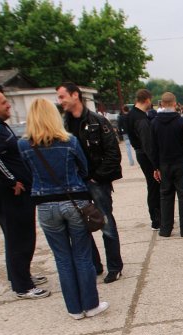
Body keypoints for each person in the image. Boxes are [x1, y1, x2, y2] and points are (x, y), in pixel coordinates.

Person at [17, 99, 108, 318]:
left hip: (45, 205)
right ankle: (90, 304)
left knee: (62, 258)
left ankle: (74, 309)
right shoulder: (70, 141)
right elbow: (84, 169)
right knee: (82, 255)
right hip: (73, 201)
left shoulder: (24, 145)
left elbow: (27, 173)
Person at [0, 87, 48, 299]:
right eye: (2, 103)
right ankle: (23, 286)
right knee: (19, 237)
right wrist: (11, 179)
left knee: (16, 236)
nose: (8, 105)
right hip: (9, 193)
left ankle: (21, 275)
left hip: (8, 191)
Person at [57, 82, 124, 284]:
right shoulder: (62, 125)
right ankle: (94, 265)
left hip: (97, 183)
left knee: (105, 223)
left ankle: (114, 266)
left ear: (75, 95)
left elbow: (113, 153)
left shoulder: (97, 121)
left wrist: (97, 177)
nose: (60, 101)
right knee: (80, 226)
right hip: (74, 184)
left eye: (62, 97)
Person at [150, 92, 183, 238]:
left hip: (163, 164)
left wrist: (155, 167)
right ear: (174, 103)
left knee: (165, 195)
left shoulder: (154, 123)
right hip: (180, 162)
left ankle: (165, 228)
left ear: (161, 104)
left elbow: (152, 147)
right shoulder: (181, 122)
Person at [126, 89, 161, 230]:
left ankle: (157, 218)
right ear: (147, 100)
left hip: (140, 152)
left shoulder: (131, 115)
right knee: (154, 186)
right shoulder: (141, 118)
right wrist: (155, 166)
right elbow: (147, 144)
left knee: (152, 186)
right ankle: (157, 220)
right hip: (146, 154)